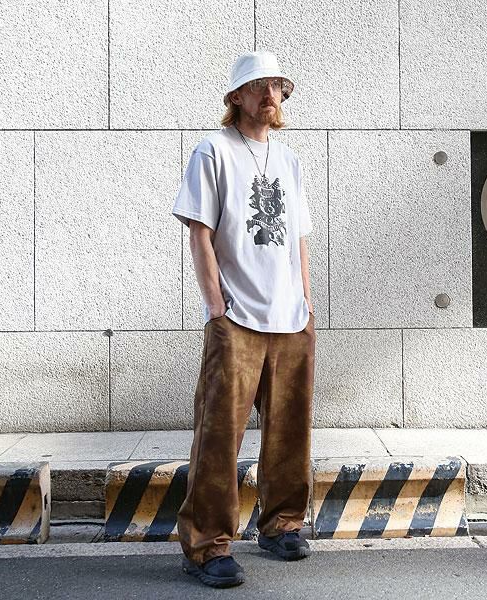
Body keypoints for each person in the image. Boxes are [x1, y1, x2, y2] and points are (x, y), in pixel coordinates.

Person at [171, 50, 316, 589]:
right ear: (236, 96)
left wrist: (306, 303)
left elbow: (298, 237)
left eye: (277, 86)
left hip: (290, 318)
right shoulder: (213, 151)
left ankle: (281, 524)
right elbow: (199, 232)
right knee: (219, 436)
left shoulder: (289, 159)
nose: (270, 95)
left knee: (290, 431)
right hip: (237, 318)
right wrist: (216, 307)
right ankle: (206, 546)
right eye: (258, 87)